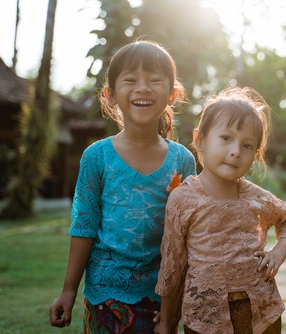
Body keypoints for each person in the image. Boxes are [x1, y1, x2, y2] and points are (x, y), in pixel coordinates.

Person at [49, 40, 196, 334]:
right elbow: (84, 225)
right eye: (131, 80)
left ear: (172, 94)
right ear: (111, 94)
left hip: (160, 298)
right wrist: (68, 290)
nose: (143, 88)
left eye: (154, 80)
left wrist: (177, 303)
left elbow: (186, 238)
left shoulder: (182, 160)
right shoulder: (97, 157)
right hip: (104, 294)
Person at [154, 86, 286, 334]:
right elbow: (173, 265)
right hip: (205, 319)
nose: (236, 151)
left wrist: (279, 250)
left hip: (262, 313)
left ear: (255, 154)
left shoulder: (256, 197)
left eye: (247, 146)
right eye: (226, 138)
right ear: (199, 140)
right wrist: (166, 319)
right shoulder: (183, 198)